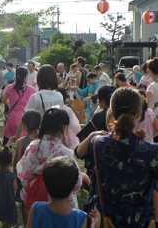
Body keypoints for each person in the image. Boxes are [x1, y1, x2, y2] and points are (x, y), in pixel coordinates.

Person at [75, 88, 158, 227]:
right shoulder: (152, 151)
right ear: (139, 114)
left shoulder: (98, 143)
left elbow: (78, 152)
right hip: (138, 221)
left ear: (111, 113)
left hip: (104, 219)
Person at [17, 108, 84, 211]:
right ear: (63, 127)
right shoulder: (65, 153)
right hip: (62, 206)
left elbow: (23, 174)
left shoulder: (33, 147)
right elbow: (77, 183)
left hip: (36, 203)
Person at [26, 156, 100, 228]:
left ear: (45, 185)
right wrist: (96, 224)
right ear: (74, 187)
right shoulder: (81, 218)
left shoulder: (36, 209)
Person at [13, 111, 41, 225]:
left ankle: (27, 224)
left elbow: (17, 162)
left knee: (25, 204)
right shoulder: (42, 141)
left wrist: (15, 178)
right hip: (38, 179)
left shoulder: (21, 142)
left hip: (24, 180)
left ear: (24, 125)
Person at [2, 67, 36, 145]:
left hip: (12, 117)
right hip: (24, 119)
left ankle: (5, 155)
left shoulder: (10, 87)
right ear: (26, 77)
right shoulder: (32, 90)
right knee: (21, 143)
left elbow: (3, 100)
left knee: (7, 140)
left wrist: (10, 105)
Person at [0, 147, 17, 228]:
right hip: (9, 201)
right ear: (11, 161)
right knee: (8, 219)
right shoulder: (13, 175)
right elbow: (15, 187)